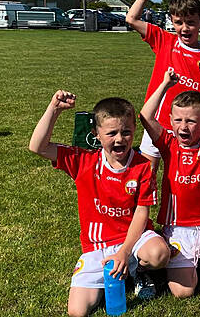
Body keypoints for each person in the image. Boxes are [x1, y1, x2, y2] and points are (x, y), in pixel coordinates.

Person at [28, 92, 170, 317]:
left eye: (126, 132)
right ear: (96, 134)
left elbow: (142, 212)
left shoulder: (142, 166)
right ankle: (112, 275)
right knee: (77, 311)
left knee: (159, 254)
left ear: (134, 130)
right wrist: (54, 110)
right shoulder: (83, 161)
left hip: (133, 239)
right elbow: (38, 147)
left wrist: (124, 252)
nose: (119, 139)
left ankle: (138, 270)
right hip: (97, 245)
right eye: (111, 133)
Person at [138, 71, 200, 298]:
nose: (183, 126)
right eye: (178, 120)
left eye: (191, 121)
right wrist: (164, 85)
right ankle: (184, 264)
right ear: (171, 120)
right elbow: (145, 116)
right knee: (183, 292)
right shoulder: (168, 144)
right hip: (178, 230)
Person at [126, 0, 200, 177]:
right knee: (146, 176)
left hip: (187, 128)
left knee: (182, 178)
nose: (184, 28)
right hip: (156, 123)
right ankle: (142, 208)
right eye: (179, 22)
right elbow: (131, 19)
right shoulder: (164, 40)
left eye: (191, 22)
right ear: (172, 22)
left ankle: (178, 209)